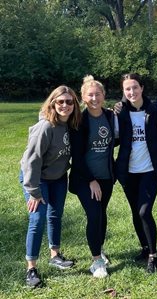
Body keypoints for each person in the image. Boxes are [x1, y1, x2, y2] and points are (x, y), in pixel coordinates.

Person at [20, 85, 81, 287]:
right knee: (37, 219)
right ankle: (31, 269)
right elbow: (31, 161)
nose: (65, 105)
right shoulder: (45, 127)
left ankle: (55, 255)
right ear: (53, 103)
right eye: (60, 101)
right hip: (37, 178)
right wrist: (34, 192)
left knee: (55, 215)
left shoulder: (72, 124)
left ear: (74, 104)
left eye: (69, 101)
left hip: (59, 177)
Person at [115, 73, 157, 273]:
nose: (131, 92)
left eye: (135, 87)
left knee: (144, 211)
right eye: (127, 89)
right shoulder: (119, 113)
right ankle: (145, 248)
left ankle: (153, 256)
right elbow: (115, 138)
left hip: (150, 170)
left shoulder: (155, 109)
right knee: (136, 213)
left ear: (142, 88)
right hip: (128, 173)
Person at [69, 75, 117, 278]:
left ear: (104, 96)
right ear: (83, 97)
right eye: (90, 95)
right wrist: (91, 180)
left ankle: (100, 248)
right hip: (85, 179)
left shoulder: (110, 116)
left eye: (98, 94)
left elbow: (114, 141)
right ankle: (96, 261)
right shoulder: (78, 120)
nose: (94, 98)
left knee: (102, 215)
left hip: (106, 177)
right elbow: (77, 157)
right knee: (94, 214)